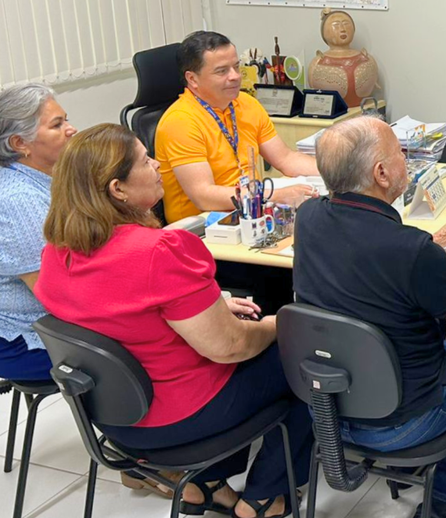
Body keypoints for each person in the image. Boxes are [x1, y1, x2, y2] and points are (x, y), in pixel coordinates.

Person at [35, 124, 312, 518]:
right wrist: (277, 325)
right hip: (178, 416)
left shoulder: (56, 252)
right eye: (146, 160)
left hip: (111, 416)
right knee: (309, 361)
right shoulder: (160, 250)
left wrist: (210, 308)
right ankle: (268, 495)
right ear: (118, 189)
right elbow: (230, 346)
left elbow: (125, 317)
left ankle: (205, 484)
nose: (157, 163)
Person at [293, 116, 446, 518]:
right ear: (381, 173)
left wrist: (433, 244)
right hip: (402, 419)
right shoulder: (409, 250)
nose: (408, 159)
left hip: (328, 408)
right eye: (400, 153)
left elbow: (365, 259)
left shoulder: (309, 218)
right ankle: (444, 503)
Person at [155, 30, 320, 223]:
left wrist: (336, 173)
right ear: (192, 79)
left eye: (236, 66)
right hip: (204, 229)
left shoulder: (246, 103)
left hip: (252, 211)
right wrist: (275, 195)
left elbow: (286, 158)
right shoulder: (180, 121)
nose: (235, 76)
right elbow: (203, 195)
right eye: (222, 71)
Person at [0, 83, 76, 380]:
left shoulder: (46, 176)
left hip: (54, 316)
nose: (71, 129)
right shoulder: (18, 200)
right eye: (58, 125)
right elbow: (55, 294)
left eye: (65, 119)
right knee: (161, 339)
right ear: (20, 143)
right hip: (29, 338)